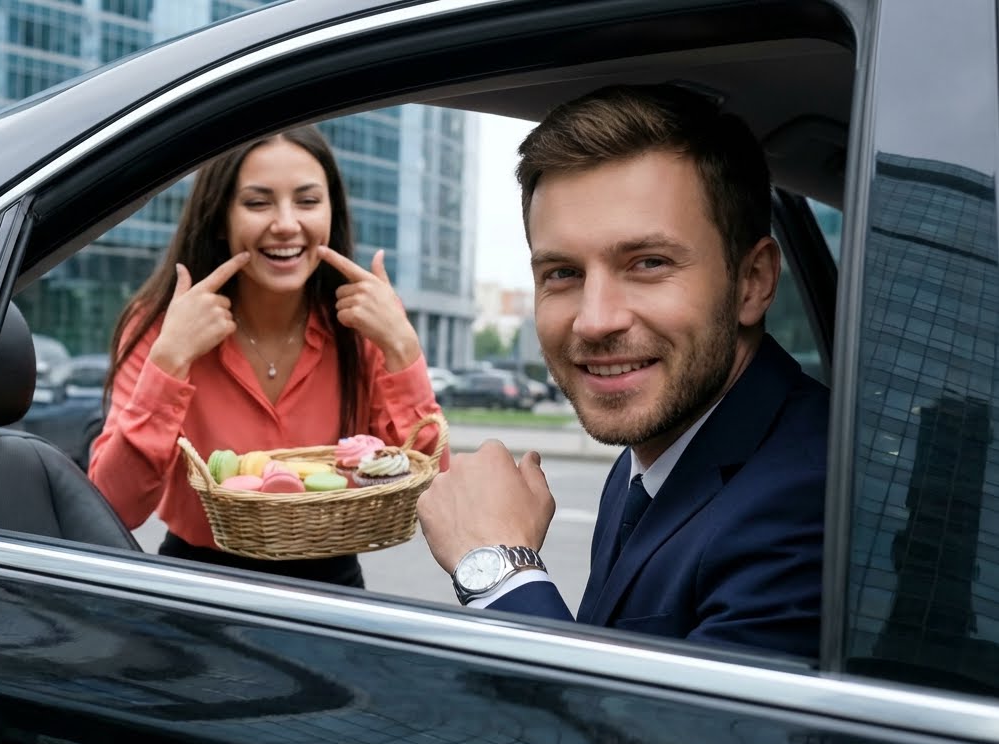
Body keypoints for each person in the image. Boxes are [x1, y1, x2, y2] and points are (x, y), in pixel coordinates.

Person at [417, 84, 827, 658]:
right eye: (561, 273)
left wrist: (498, 570)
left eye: (649, 263)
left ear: (752, 281)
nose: (594, 321)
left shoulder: (810, 504)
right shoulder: (655, 449)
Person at [90, 125, 446, 588]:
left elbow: (435, 496)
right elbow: (114, 506)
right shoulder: (163, 323)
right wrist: (170, 362)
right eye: (258, 203)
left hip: (332, 589)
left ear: (331, 212)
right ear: (221, 216)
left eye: (307, 201)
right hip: (195, 584)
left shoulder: (366, 325)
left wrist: (403, 349)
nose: (285, 223)